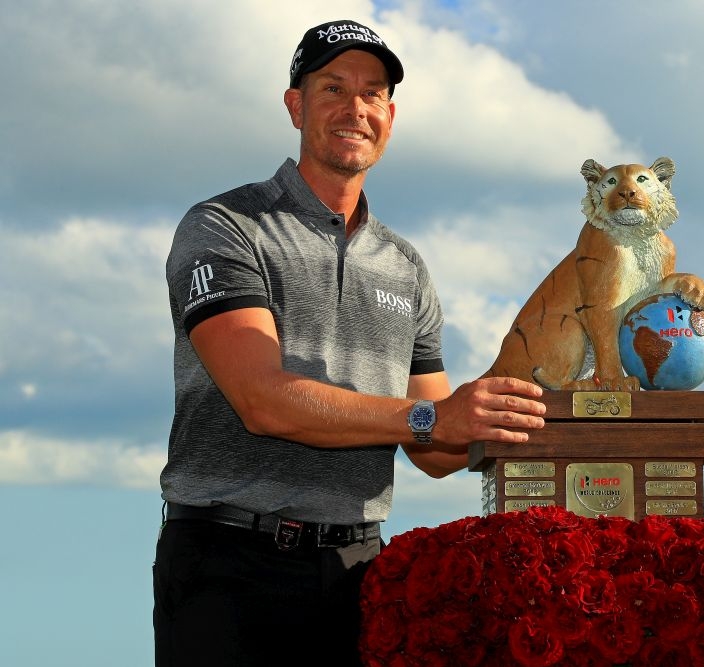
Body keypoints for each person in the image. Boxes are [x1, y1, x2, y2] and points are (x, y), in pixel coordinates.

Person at [153, 19, 546, 667]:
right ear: (295, 104)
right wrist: (435, 417)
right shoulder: (226, 227)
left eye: (372, 93)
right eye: (333, 87)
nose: (355, 108)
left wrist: (525, 403)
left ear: (390, 117)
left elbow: (438, 450)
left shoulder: (405, 266)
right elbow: (263, 400)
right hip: (226, 567)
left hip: (358, 570)